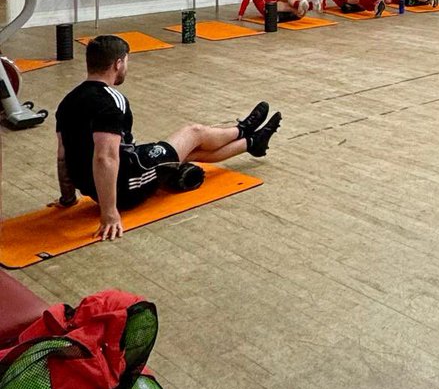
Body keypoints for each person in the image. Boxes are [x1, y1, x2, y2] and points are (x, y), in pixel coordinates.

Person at [52, 35, 282, 242]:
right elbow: (105, 158)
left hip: (102, 185)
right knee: (194, 132)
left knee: (185, 153)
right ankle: (243, 129)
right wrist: (109, 213)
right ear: (118, 64)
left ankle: (252, 143)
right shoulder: (111, 101)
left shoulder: (68, 101)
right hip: (127, 185)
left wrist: (68, 198)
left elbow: (63, 157)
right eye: (126, 62)